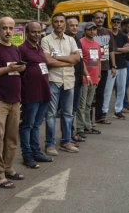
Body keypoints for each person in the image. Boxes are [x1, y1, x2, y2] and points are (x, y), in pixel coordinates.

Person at [0, 17, 25, 189]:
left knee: (11, 138)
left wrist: (21, 68)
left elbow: (18, 70)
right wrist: (10, 68)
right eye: (5, 28)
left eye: (11, 28)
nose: (8, 31)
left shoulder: (15, 49)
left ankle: (8, 168)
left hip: (15, 99)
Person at [41, 13, 80, 155]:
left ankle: (66, 141)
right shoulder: (46, 40)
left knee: (68, 114)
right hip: (53, 80)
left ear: (65, 24)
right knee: (51, 114)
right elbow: (48, 61)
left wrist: (58, 58)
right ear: (52, 23)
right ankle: (50, 144)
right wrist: (68, 61)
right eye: (56, 21)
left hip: (69, 81)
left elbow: (77, 59)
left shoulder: (71, 40)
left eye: (61, 21)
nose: (59, 24)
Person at [18, 21, 52, 169]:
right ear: (27, 32)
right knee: (27, 125)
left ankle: (36, 152)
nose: (37, 34)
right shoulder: (22, 49)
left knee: (36, 125)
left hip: (44, 92)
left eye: (39, 32)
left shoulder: (39, 48)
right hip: (30, 94)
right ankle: (27, 155)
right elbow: (19, 71)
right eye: (33, 32)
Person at [75, 22, 102, 138]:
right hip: (84, 78)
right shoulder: (80, 42)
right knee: (81, 105)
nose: (92, 31)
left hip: (95, 78)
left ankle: (88, 126)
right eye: (90, 29)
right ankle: (80, 128)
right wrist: (87, 76)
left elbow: (99, 61)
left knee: (89, 104)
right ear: (85, 31)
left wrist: (99, 75)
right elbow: (81, 61)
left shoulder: (97, 44)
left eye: (94, 29)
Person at [102, 15, 129, 120]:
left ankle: (118, 110)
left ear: (120, 23)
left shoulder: (123, 35)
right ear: (111, 23)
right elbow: (107, 50)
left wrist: (115, 49)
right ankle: (104, 111)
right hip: (110, 66)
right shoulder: (108, 34)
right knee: (107, 90)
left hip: (122, 65)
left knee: (122, 89)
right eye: (114, 21)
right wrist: (117, 50)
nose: (116, 23)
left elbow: (128, 49)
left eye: (118, 22)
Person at [92, 11, 116, 124]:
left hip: (105, 67)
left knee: (101, 92)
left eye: (102, 18)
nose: (100, 20)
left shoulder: (108, 32)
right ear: (93, 19)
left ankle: (99, 117)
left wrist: (114, 66)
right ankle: (88, 120)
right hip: (92, 67)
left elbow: (111, 50)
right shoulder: (90, 31)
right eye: (97, 18)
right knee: (91, 94)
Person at [65, 17, 86, 142]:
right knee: (67, 110)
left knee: (73, 109)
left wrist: (86, 75)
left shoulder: (77, 40)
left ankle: (71, 133)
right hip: (68, 79)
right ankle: (67, 136)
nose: (74, 28)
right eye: (71, 25)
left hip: (78, 79)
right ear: (67, 26)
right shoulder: (66, 40)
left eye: (76, 25)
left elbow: (81, 60)